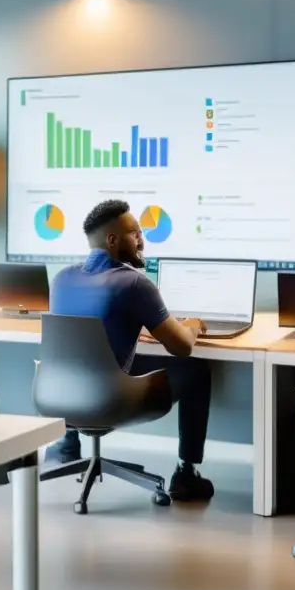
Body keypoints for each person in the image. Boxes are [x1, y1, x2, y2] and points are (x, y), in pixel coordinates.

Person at [47, 199, 215, 502]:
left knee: (106, 363)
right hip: (110, 400)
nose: (142, 239)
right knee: (196, 371)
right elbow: (182, 347)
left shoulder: (61, 280)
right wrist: (190, 325)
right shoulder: (134, 284)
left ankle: (66, 442)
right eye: (135, 233)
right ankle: (185, 474)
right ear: (112, 240)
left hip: (59, 396)